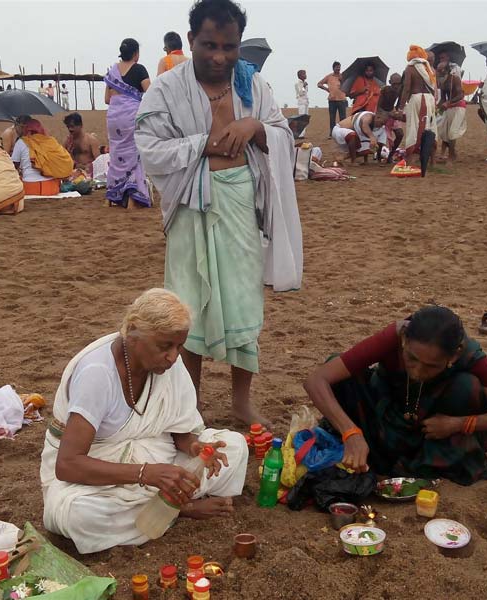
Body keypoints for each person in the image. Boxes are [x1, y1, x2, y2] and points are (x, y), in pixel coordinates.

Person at [136, 0, 303, 426]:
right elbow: (149, 147)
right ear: (191, 40)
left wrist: (254, 127)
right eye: (209, 44)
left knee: (245, 302)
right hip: (191, 207)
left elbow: (282, 132)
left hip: (241, 201)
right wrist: (203, 144)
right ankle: (189, 400)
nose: (219, 56)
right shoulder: (166, 89)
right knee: (187, 305)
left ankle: (241, 400)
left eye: (229, 47)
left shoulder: (252, 85)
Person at [40, 288, 249, 554]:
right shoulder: (97, 373)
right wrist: (145, 474)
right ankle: (179, 509)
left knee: (234, 445)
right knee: (78, 516)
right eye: (165, 346)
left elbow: (179, 432)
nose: (173, 357)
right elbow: (67, 465)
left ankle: (162, 505)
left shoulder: (167, 365)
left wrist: (195, 448)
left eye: (179, 346)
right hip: (97, 475)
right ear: (134, 332)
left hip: (157, 459)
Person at [304, 306, 487, 484]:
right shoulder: (393, 337)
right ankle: (376, 458)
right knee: (339, 368)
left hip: (432, 433)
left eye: (431, 366)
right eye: (412, 359)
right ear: (405, 339)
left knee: (468, 386)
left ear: (453, 355)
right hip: (385, 419)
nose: (417, 371)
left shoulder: (471, 355)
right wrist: (350, 432)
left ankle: (412, 469)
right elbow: (316, 380)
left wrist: (459, 424)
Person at [105, 37, 151, 208]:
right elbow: (151, 92)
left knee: (116, 155)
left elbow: (107, 99)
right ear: (135, 54)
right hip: (130, 117)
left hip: (113, 118)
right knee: (134, 155)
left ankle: (109, 198)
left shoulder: (112, 72)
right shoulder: (139, 69)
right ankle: (132, 198)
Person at [11, 118, 73, 196]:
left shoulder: (21, 142)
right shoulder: (50, 141)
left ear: (25, 129)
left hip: (31, 188)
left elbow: (13, 167)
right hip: (52, 188)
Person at [397, 45, 437, 165]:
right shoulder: (429, 68)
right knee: (430, 126)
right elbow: (435, 87)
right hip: (430, 100)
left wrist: (401, 107)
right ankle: (432, 161)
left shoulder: (410, 68)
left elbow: (407, 88)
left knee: (414, 129)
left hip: (416, 99)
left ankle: (411, 160)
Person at [436, 55, 467, 161]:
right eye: (438, 71)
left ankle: (451, 155)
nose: (439, 73)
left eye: (441, 71)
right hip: (449, 107)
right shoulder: (442, 82)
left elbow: (460, 95)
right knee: (445, 132)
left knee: (453, 132)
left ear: (447, 70)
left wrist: (449, 102)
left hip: (458, 107)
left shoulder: (455, 79)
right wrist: (437, 106)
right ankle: (447, 154)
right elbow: (443, 99)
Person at [378, 73, 405, 162]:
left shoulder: (401, 90)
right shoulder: (385, 90)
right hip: (382, 114)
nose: (396, 86)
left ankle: (390, 155)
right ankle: (379, 155)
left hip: (391, 112)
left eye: (398, 84)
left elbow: (398, 105)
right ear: (390, 82)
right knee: (382, 139)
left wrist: (397, 113)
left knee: (400, 134)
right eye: (394, 84)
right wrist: (383, 116)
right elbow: (378, 106)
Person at [318, 61, 347, 137]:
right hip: (332, 100)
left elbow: (347, 86)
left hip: (342, 99)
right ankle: (332, 133)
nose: (338, 68)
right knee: (332, 118)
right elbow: (319, 84)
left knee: (343, 118)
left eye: (339, 67)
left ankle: (343, 133)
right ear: (333, 68)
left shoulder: (342, 76)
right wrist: (327, 89)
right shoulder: (329, 76)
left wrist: (342, 80)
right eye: (337, 67)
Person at [295, 69, 308, 138]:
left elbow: (306, 93)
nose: (305, 75)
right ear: (300, 76)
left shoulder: (305, 83)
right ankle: (300, 134)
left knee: (305, 118)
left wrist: (304, 86)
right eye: (304, 74)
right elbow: (300, 93)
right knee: (301, 118)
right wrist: (304, 86)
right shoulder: (297, 83)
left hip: (306, 102)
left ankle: (302, 134)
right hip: (301, 102)